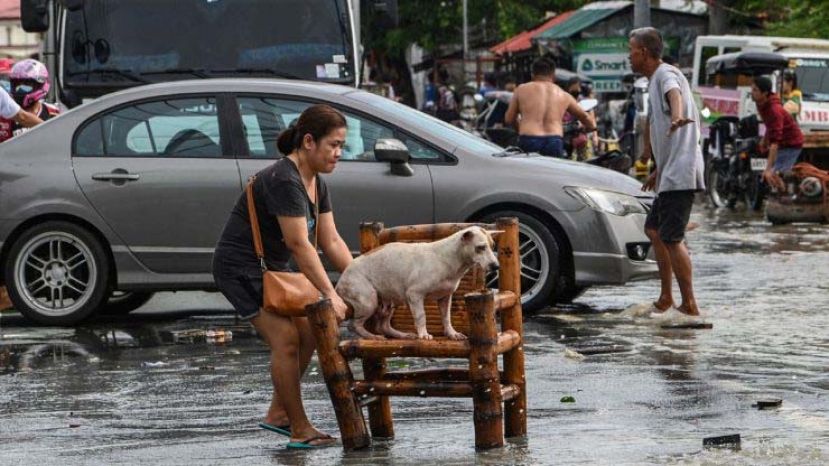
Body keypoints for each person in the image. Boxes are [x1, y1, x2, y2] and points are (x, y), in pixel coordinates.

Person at [212, 104, 352, 449]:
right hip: (240, 267)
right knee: (287, 339)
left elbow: (330, 240)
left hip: (272, 268)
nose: (338, 154)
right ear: (308, 141)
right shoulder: (284, 179)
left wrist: (363, 283)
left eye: (341, 146)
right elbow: (299, 244)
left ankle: (279, 412)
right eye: (333, 145)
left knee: (308, 334)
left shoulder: (315, 181)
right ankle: (298, 426)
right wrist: (330, 293)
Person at [629, 27, 705, 318]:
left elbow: (674, 95)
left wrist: (677, 115)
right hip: (670, 170)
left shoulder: (665, 75)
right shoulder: (653, 80)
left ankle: (689, 305)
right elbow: (658, 122)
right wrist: (657, 167)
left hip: (681, 172)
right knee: (654, 230)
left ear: (644, 53)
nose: (629, 57)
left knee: (671, 237)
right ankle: (665, 297)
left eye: (631, 51)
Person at [505, 58, 595, 158]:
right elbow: (586, 119)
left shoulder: (521, 90)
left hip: (529, 138)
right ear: (553, 76)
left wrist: (519, 129)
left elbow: (509, 119)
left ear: (532, 74)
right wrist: (589, 128)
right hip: (554, 141)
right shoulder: (563, 94)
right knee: (552, 173)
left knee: (530, 173)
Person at [752, 75, 804, 191]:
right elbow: (770, 126)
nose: (752, 93)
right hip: (782, 142)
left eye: (755, 90)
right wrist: (764, 141)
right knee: (773, 174)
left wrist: (768, 169)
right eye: (752, 89)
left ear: (764, 93)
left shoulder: (774, 110)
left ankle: (787, 199)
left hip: (791, 144)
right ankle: (782, 194)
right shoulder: (761, 104)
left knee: (773, 174)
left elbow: (775, 141)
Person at [0, 59, 59, 143]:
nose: (20, 89)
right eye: (16, 85)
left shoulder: (55, 112)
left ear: (40, 84)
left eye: (26, 85)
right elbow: (22, 117)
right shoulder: (3, 112)